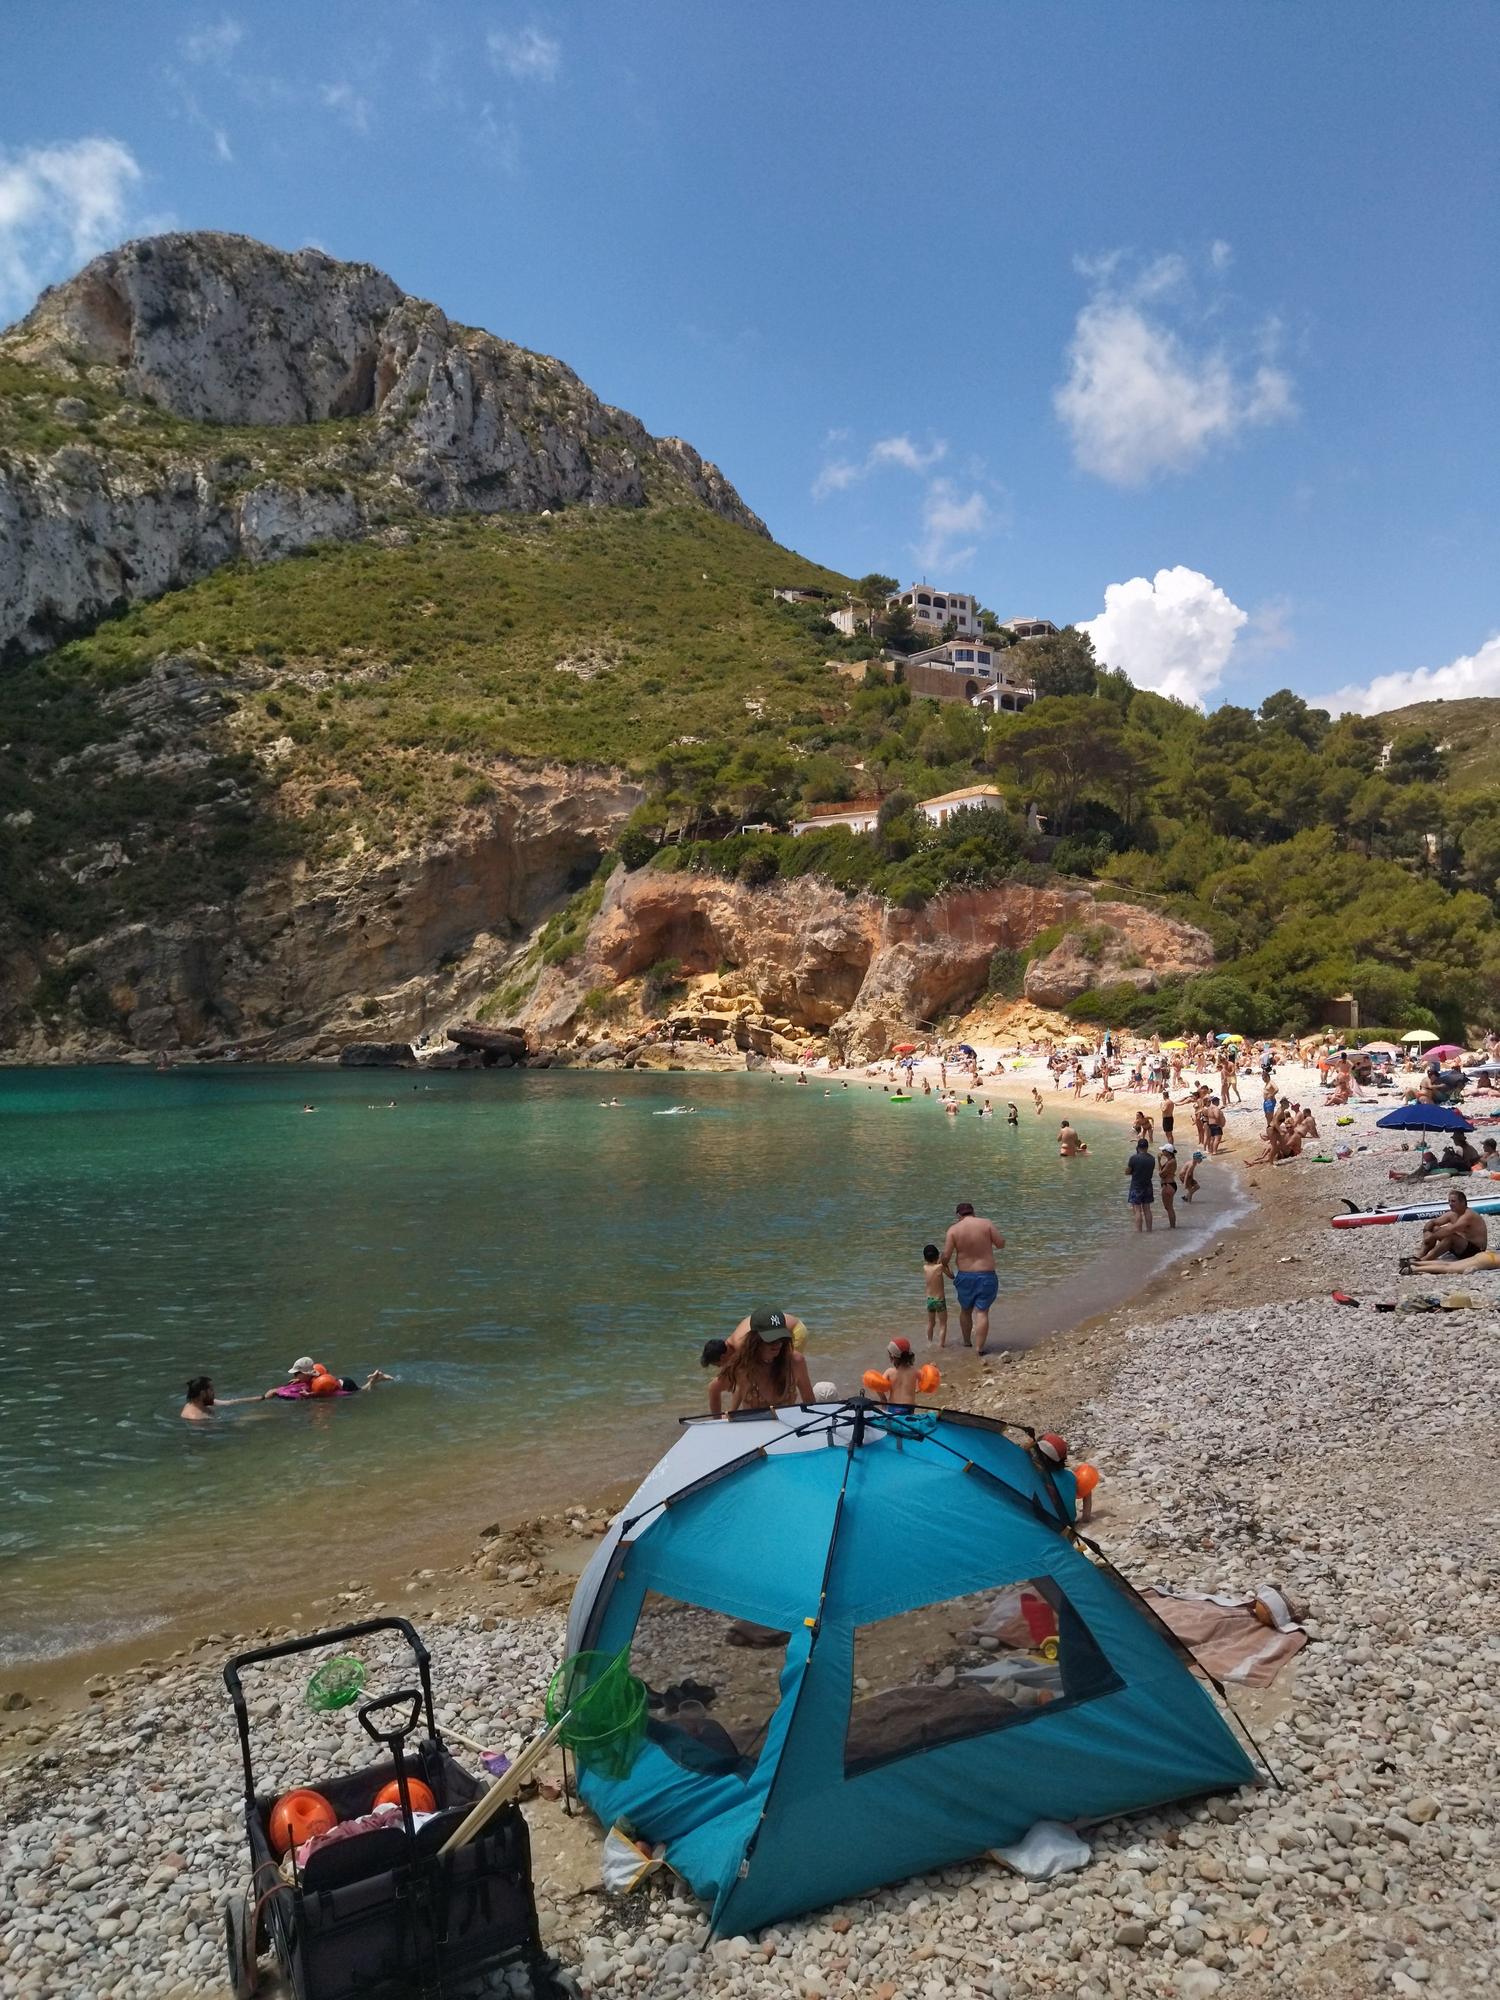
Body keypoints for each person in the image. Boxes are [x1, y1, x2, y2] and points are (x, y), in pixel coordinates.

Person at [715, 1312, 815, 1412]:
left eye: (781, 1337)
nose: (777, 1344)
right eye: (771, 1339)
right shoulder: (742, 1365)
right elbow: (715, 1388)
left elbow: (810, 1403)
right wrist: (730, 1413)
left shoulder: (795, 1361)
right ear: (755, 1339)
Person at [941, 1202, 1005, 1356]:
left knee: (965, 1310)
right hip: (986, 1275)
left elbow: (946, 1257)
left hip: (965, 1276)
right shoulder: (986, 1224)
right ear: (973, 1212)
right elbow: (1000, 1244)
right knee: (982, 1312)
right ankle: (979, 1348)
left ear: (958, 1215)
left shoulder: (953, 1230)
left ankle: (967, 1342)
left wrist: (943, 1268)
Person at [1409, 1190, 1489, 1267]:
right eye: (1449, 1201)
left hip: (1476, 1251)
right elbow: (1432, 1222)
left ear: (1462, 1202)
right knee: (1434, 1228)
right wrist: (1426, 1231)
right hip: (1462, 1248)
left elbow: (1450, 1230)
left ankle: (1424, 1260)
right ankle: (1420, 1255)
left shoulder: (1468, 1215)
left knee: (1450, 1237)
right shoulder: (1452, 1214)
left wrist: (1432, 1236)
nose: (1450, 1204)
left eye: (1453, 1201)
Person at [266, 1356, 394, 1400]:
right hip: (342, 1380)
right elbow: (310, 1379)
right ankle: (377, 1378)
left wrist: (310, 1395)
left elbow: (325, 1394)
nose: (294, 1376)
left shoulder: (319, 1382)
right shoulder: (312, 1373)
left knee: (363, 1391)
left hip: (345, 1385)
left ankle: (373, 1380)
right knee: (362, 1389)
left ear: (305, 1372)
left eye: (296, 1374)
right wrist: (299, 1380)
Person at [179, 1376, 264, 1421]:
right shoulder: (197, 1417)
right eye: (211, 1390)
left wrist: (262, 1397)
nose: (214, 1392)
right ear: (202, 1393)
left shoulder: (201, 1403)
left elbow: (231, 1403)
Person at [877, 1337, 921, 1414]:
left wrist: (883, 1399)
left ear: (892, 1357)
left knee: (894, 1423)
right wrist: (918, 1388)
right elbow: (925, 1380)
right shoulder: (914, 1371)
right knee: (906, 1423)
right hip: (909, 1408)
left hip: (893, 1407)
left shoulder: (889, 1372)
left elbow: (878, 1386)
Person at [1125, 1137, 1155, 1232]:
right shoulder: (1152, 1159)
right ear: (1147, 1147)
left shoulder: (1133, 1158)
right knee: (1147, 1209)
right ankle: (1149, 1230)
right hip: (1148, 1185)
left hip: (1136, 1186)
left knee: (1137, 1210)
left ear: (1138, 1147)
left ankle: (1139, 1232)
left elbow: (1128, 1172)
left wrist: (1131, 1171)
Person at [922, 1244, 949, 1346]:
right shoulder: (940, 1267)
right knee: (943, 1324)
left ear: (925, 1258)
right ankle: (941, 1346)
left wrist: (938, 1262)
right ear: (937, 1256)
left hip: (929, 1300)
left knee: (931, 1323)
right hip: (940, 1300)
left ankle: (929, 1343)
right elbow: (952, 1276)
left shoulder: (925, 1267)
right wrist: (946, 1264)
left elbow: (932, 1266)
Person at [1157, 1144, 1178, 1229]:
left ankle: (1172, 1227)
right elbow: (1162, 1171)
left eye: (1163, 1150)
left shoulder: (1170, 1162)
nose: (1162, 1152)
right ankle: (1172, 1226)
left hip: (1168, 1185)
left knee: (1169, 1208)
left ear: (1167, 1152)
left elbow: (1161, 1174)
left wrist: (1158, 1161)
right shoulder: (1170, 1160)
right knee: (1168, 1207)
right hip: (1169, 1184)